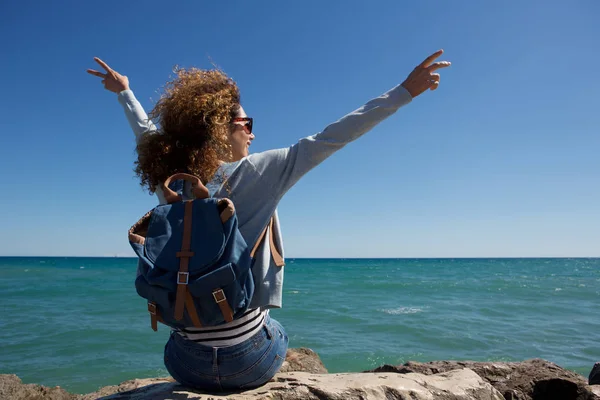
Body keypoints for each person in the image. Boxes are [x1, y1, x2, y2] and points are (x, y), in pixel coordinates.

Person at [87, 51, 450, 391]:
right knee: (277, 331)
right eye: (247, 123)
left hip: (184, 364)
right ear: (220, 126)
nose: (253, 133)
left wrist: (125, 94)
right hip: (248, 361)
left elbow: (147, 134)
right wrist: (405, 92)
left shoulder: (173, 177)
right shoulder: (265, 169)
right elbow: (336, 135)